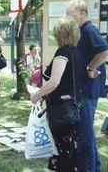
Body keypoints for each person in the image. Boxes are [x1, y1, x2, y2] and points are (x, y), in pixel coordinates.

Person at [31, 17, 83, 171]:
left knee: (61, 151)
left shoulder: (63, 52)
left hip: (61, 109)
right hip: (73, 106)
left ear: (60, 34)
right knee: (69, 150)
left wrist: (36, 95)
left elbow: (54, 81)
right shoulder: (76, 53)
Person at [66, 0, 108, 172]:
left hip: (87, 90)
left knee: (85, 136)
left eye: (72, 15)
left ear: (83, 14)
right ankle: (95, 168)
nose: (69, 18)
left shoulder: (89, 29)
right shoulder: (79, 31)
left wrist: (90, 67)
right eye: (68, 15)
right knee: (87, 134)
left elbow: (105, 51)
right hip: (83, 89)